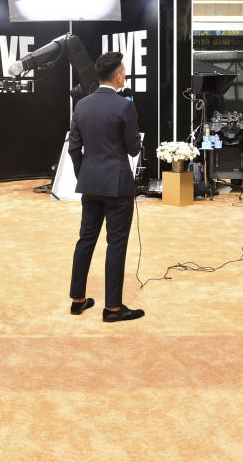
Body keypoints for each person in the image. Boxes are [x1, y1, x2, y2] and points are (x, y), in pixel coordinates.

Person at [67, 51, 144, 322]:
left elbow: (73, 148)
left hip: (90, 184)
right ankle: (113, 308)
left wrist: (84, 175)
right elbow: (134, 149)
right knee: (116, 243)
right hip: (118, 186)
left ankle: (78, 299)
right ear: (119, 76)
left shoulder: (81, 106)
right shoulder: (125, 106)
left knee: (85, 240)